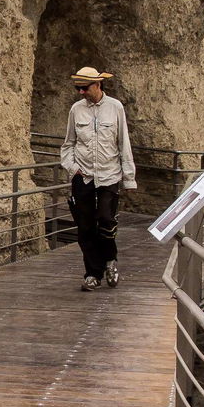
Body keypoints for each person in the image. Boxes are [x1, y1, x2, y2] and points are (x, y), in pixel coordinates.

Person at [60, 66, 137, 291]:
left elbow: (123, 143)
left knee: (105, 219)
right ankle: (93, 274)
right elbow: (68, 144)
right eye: (78, 88)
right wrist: (72, 167)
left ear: (97, 84)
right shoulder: (76, 109)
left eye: (85, 88)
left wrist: (129, 177)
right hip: (82, 175)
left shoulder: (115, 107)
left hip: (109, 174)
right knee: (85, 227)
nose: (81, 92)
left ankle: (110, 261)